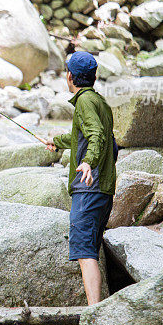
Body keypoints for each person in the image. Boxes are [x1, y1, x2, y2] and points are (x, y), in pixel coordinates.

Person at [46, 51, 117, 305]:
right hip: (103, 188)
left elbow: (96, 135)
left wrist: (87, 162)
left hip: (88, 189)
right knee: (90, 252)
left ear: (69, 77)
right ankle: (96, 312)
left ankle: (93, 315)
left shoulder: (85, 103)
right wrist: (57, 142)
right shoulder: (99, 102)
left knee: (85, 254)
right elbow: (86, 137)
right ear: (94, 77)